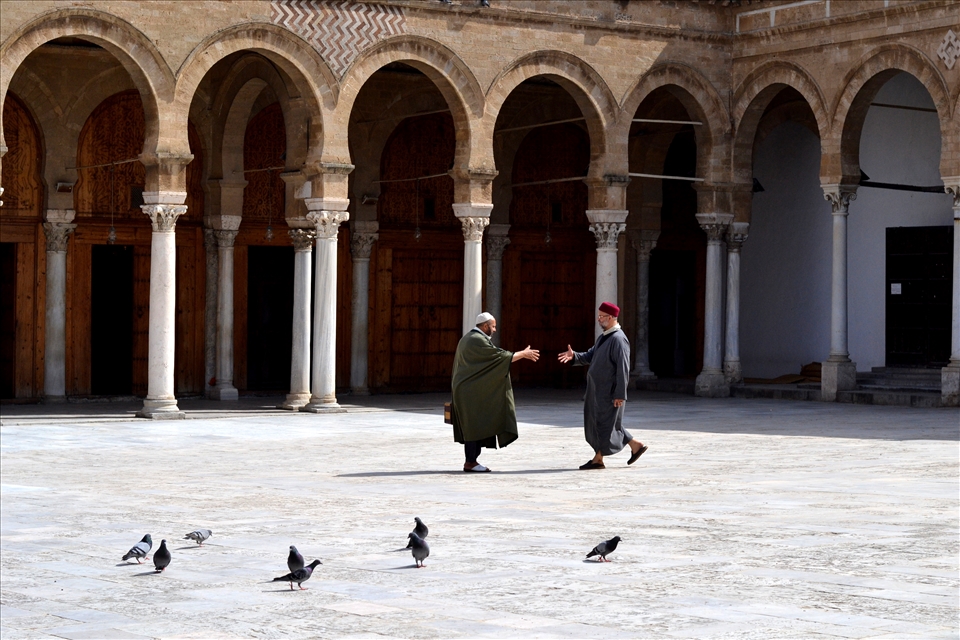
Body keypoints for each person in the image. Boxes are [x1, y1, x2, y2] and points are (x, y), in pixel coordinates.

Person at [558, 302, 648, 469]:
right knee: (607, 423)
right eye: (598, 316)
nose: (599, 319)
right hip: (597, 391)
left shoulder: (618, 339)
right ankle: (636, 446)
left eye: (602, 316)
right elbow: (590, 356)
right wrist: (574, 356)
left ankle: (598, 459)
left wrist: (620, 394)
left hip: (609, 392)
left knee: (604, 424)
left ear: (612, 317)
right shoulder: (604, 337)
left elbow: (623, 369)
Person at [451, 312, 539, 472]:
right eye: (493, 326)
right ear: (485, 326)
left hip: (469, 391)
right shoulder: (476, 340)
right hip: (469, 392)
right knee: (473, 426)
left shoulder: (470, 338)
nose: (495, 329)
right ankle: (470, 461)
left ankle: (471, 460)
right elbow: (500, 358)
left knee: (475, 424)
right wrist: (523, 354)